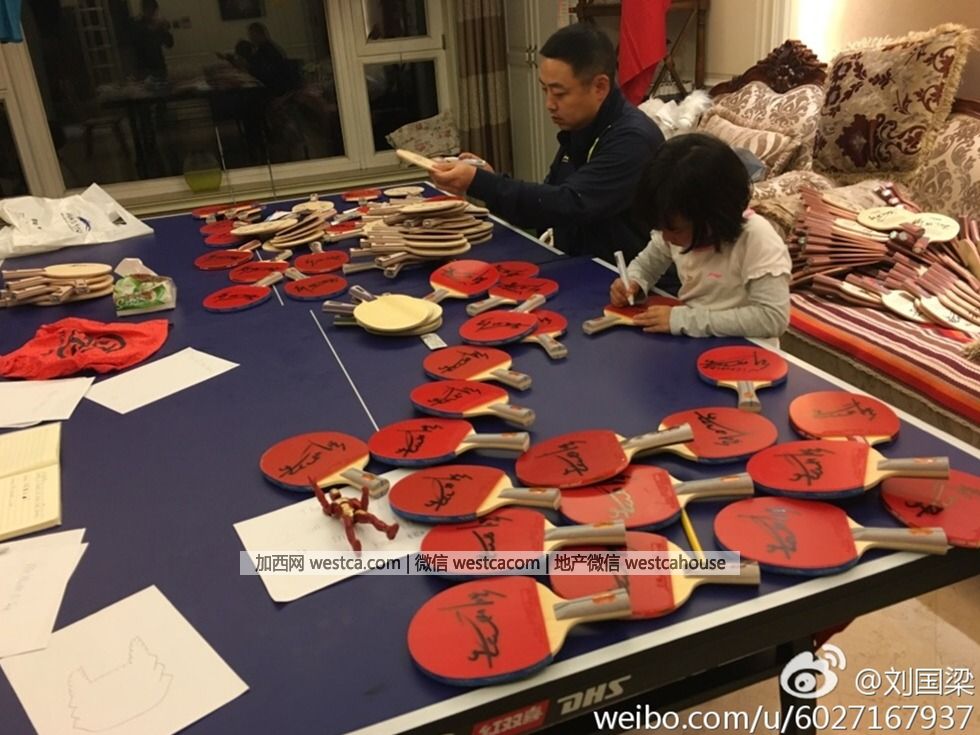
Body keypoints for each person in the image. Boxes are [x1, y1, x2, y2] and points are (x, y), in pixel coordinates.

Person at [429, 23, 664, 262]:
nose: (549, 104)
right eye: (545, 90)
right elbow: (546, 205)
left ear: (600, 87)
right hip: (575, 263)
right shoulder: (581, 125)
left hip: (624, 277)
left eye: (559, 93)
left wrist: (480, 182)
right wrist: (488, 178)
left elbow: (568, 205)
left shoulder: (633, 140)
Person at [611, 133, 791, 340]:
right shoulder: (677, 226)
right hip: (694, 340)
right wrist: (634, 282)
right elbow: (646, 265)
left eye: (675, 230)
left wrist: (685, 320)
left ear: (714, 216)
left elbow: (772, 318)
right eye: (661, 228)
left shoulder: (756, 239)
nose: (666, 237)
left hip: (745, 350)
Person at [131, 0, 173, 80]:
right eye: (148, 10)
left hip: (159, 67)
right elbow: (139, 42)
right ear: (143, 10)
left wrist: (165, 30)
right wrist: (154, 28)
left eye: (153, 10)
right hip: (143, 69)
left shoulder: (158, 24)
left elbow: (169, 44)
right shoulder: (136, 24)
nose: (151, 13)